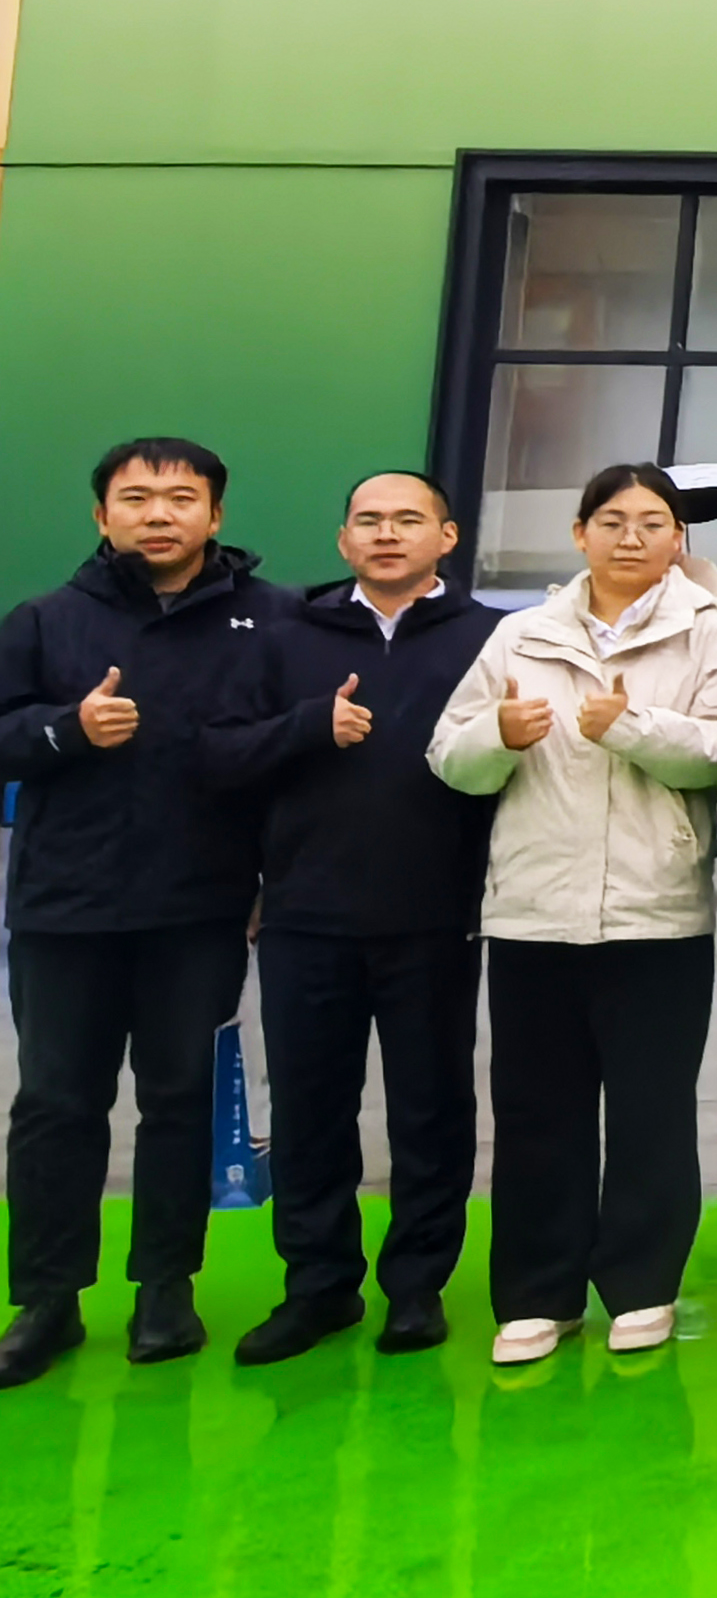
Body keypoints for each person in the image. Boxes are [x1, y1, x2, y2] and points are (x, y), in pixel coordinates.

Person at [429, 463, 717, 1365]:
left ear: (677, 538)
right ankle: (540, 1295)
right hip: (534, 911)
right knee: (537, 1111)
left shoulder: (712, 629)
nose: (631, 536)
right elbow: (449, 755)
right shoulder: (521, 633)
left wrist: (630, 725)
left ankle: (643, 1286)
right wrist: (498, 737)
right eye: (611, 519)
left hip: (657, 913)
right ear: (580, 533)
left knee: (653, 1110)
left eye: (652, 521)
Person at [192, 472, 505, 1364]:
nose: (387, 533)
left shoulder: (495, 636)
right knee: (310, 1109)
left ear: (447, 535)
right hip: (304, 913)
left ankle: (416, 1286)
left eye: (408, 519)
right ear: (343, 540)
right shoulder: (286, 634)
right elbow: (216, 754)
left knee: (431, 1108)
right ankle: (319, 1285)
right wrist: (307, 725)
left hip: (438, 913)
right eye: (368, 520)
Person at [0, 438, 291, 1384]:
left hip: (200, 907)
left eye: (180, 497)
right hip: (65, 907)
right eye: (135, 498)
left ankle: (166, 1288)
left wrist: (272, 877)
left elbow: (291, 757)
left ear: (215, 513)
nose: (158, 514)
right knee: (55, 1104)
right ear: (102, 516)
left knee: (179, 1100)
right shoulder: (44, 620)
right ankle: (47, 1299)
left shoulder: (271, 619)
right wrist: (67, 729)